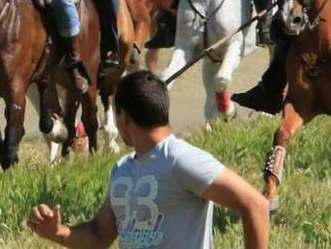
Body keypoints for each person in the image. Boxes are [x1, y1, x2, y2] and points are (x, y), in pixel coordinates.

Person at [28, 71, 270, 249]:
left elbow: (256, 204)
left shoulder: (181, 159)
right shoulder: (122, 170)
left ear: (123, 117)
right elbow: (99, 234)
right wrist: (57, 231)